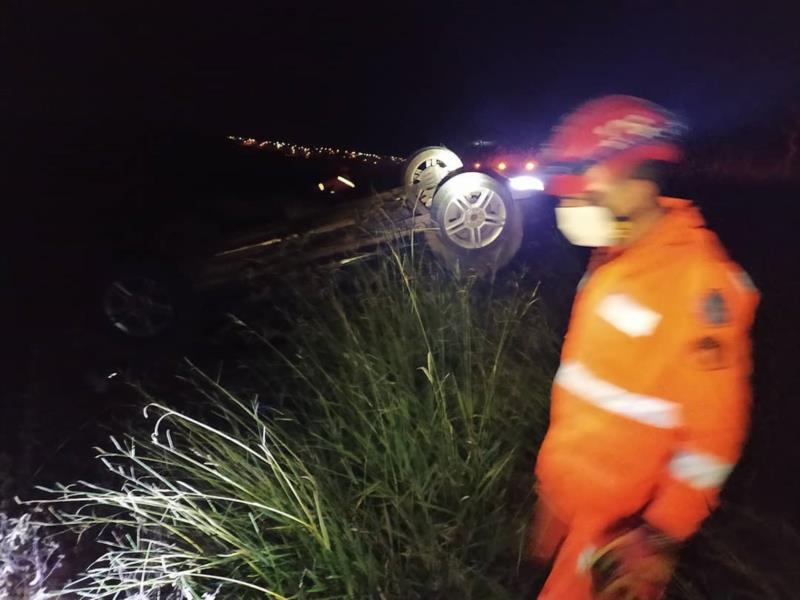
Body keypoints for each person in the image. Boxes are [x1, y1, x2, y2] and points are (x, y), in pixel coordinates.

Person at [530, 96, 759, 599]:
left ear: (635, 178)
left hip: (617, 542)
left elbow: (714, 440)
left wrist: (658, 536)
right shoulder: (614, 255)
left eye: (582, 190)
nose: (569, 207)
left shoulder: (702, 285)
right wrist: (556, 495)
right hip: (575, 507)